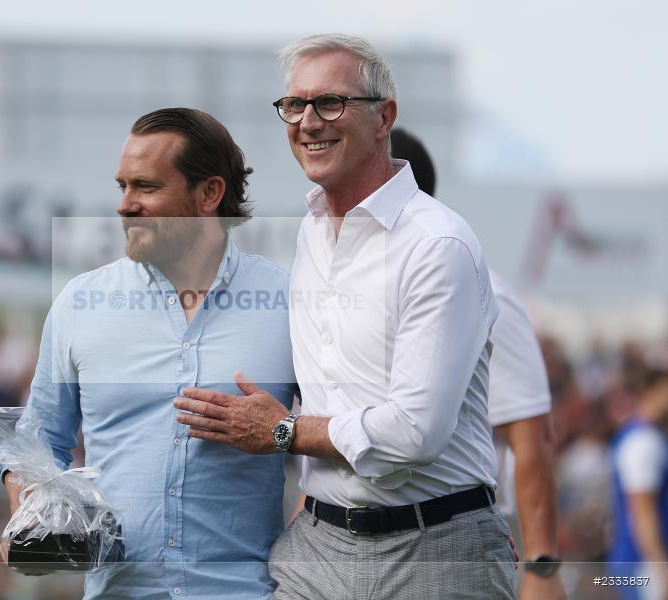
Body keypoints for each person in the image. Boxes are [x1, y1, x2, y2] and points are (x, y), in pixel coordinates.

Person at [174, 34, 515, 599]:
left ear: (385, 117)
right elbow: (332, 394)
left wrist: (281, 431)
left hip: (436, 551)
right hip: (320, 544)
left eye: (330, 103)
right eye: (294, 105)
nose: (308, 121)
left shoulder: (437, 244)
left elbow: (414, 432)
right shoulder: (313, 231)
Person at [1, 107, 298, 599]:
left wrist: (285, 441)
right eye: (122, 186)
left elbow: (334, 454)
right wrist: (32, 515)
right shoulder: (80, 303)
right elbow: (36, 443)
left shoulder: (288, 303)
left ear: (209, 194)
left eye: (146, 187)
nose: (124, 204)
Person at [390, 127, 565, 600]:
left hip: (462, 533)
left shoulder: (482, 286)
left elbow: (531, 434)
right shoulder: (351, 295)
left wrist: (543, 567)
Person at [609, 368, 668, 600]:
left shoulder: (642, 435)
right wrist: (660, 568)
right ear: (649, 391)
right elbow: (642, 512)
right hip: (642, 565)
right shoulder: (643, 441)